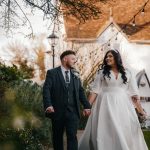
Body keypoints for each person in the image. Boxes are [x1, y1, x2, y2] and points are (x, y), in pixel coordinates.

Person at [78, 49, 148, 150]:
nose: (107, 58)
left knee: (122, 129)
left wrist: (141, 112)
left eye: (110, 56)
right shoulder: (101, 72)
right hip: (104, 104)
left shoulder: (128, 72)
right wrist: (87, 107)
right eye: (106, 57)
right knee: (107, 129)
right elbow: (94, 91)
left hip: (123, 105)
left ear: (117, 58)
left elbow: (134, 94)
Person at [43, 50, 91, 150]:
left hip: (72, 111)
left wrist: (87, 106)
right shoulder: (52, 73)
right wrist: (48, 105)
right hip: (57, 111)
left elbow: (80, 91)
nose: (75, 61)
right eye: (73, 59)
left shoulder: (76, 73)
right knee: (57, 137)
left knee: (72, 137)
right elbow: (46, 89)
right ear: (65, 59)